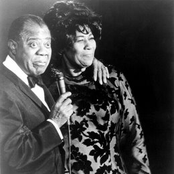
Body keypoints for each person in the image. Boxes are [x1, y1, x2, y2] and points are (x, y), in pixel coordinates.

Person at [43, 1, 151, 174]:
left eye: (91, 38)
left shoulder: (113, 78)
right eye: (80, 40)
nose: (89, 45)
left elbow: (134, 139)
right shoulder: (46, 85)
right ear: (63, 46)